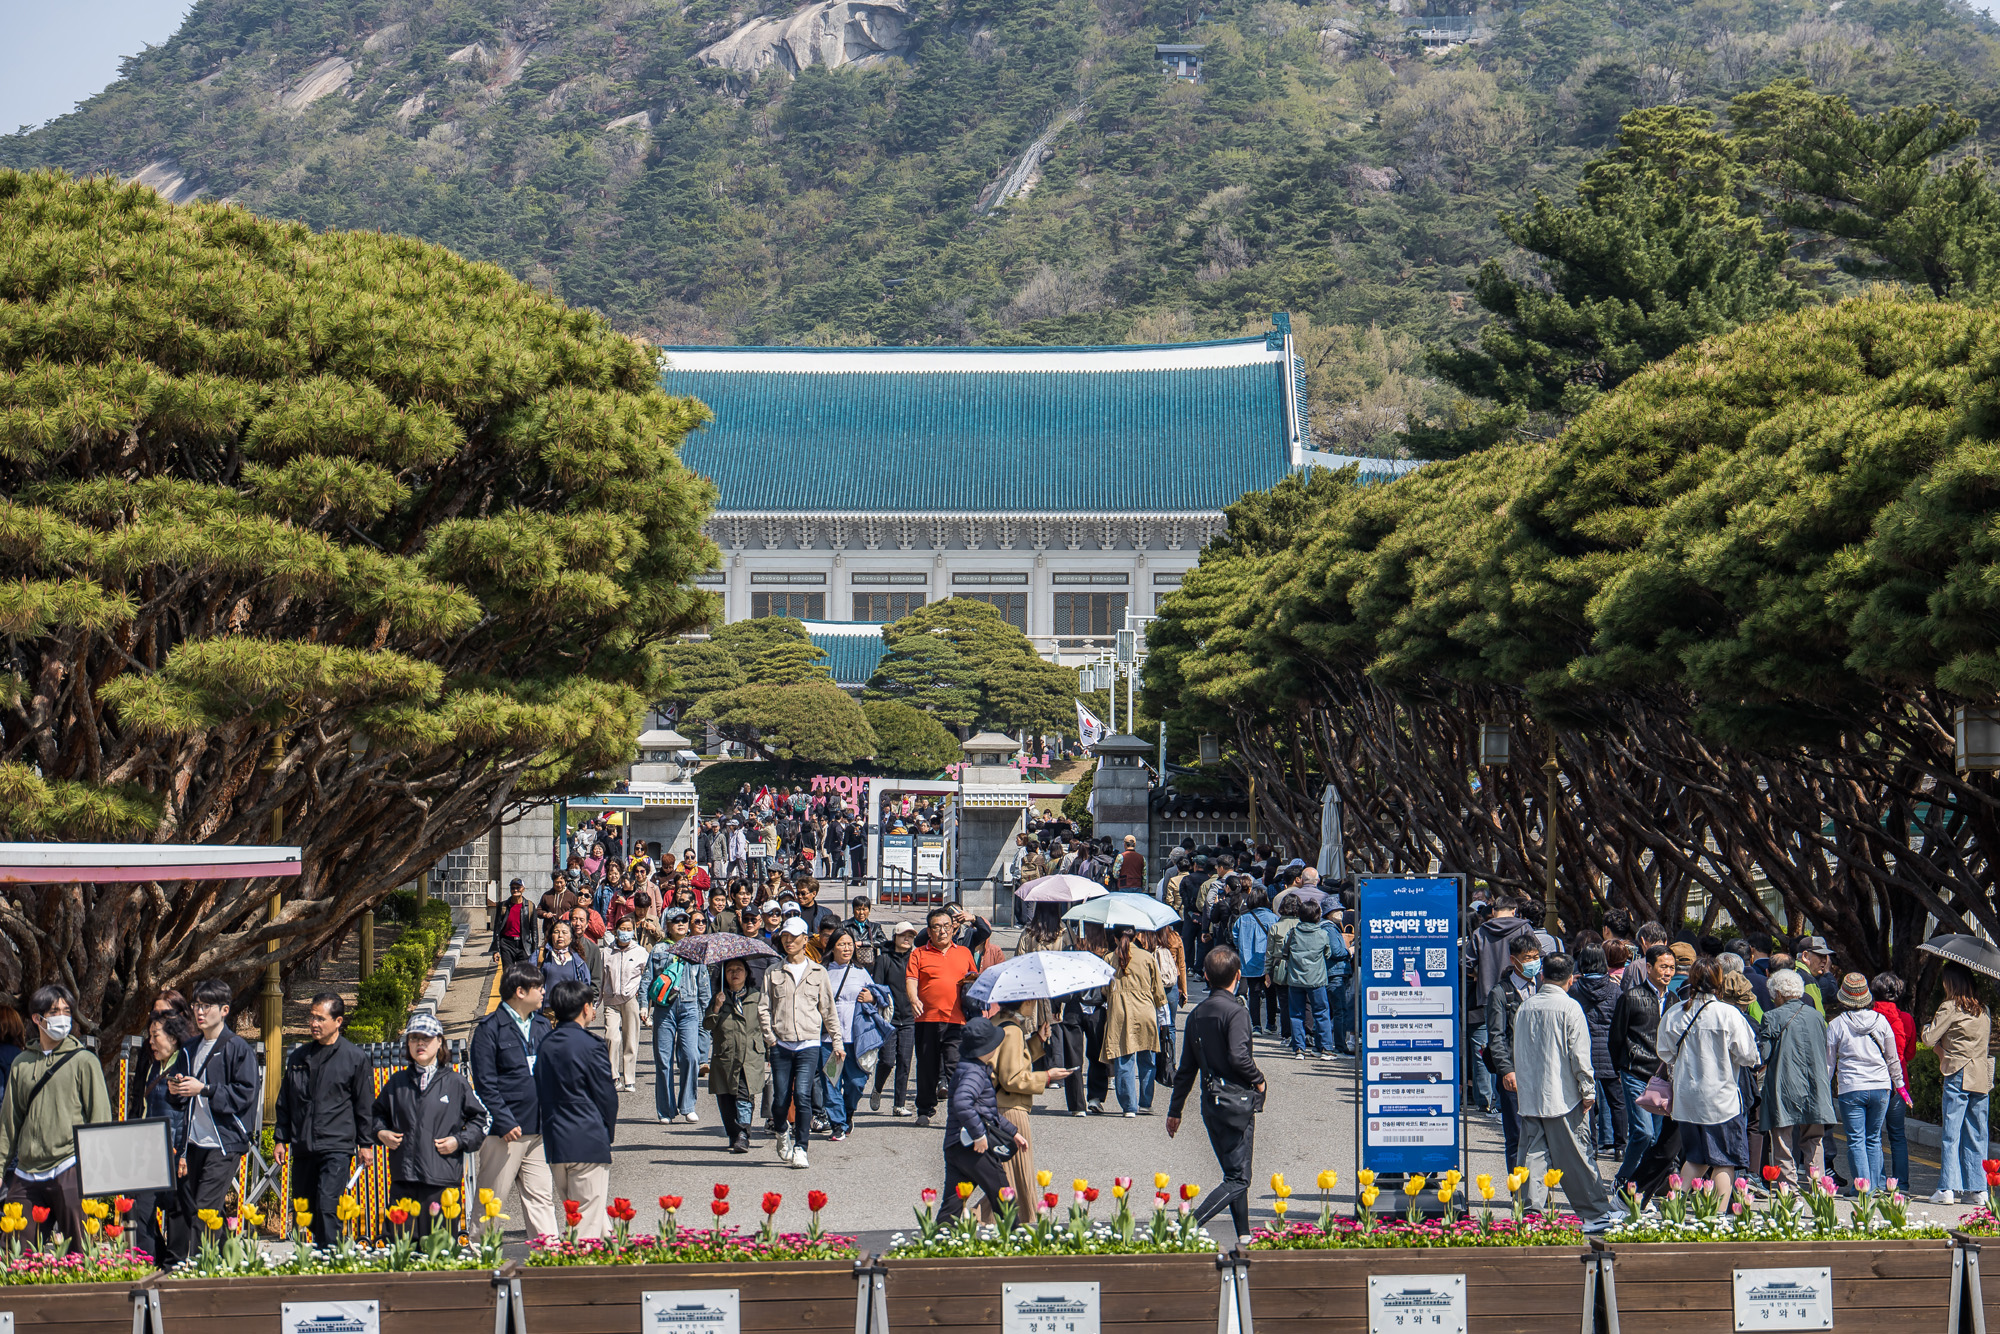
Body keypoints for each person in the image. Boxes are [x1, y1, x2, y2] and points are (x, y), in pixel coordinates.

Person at [1510, 954, 1616, 1232]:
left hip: (1531, 1094)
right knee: (1576, 1155)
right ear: (1571, 978)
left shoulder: (1526, 1007)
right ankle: (1594, 1212)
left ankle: (1529, 1216)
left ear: (1541, 975)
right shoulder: (1570, 1008)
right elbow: (1580, 1055)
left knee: (1532, 1157)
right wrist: (1588, 1090)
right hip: (1563, 1095)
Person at [1167, 946, 1265, 1246]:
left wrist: (1175, 1109)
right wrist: (1259, 1079)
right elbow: (1239, 1057)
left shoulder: (1197, 1014)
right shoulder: (1236, 1012)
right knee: (1238, 1178)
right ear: (1238, 976)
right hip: (1238, 1101)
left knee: (1234, 1171)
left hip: (1211, 1102)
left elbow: (1186, 1068)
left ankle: (1244, 1234)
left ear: (1206, 976)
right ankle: (1189, 1224)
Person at [1658, 956, 1761, 1211]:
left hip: (1687, 1100)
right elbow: (1749, 1056)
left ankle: (1675, 1209)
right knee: (1724, 1161)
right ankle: (1716, 1219)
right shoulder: (1729, 1014)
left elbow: (1665, 1052)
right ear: (1719, 982)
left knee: (1696, 1159)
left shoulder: (1676, 1012)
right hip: (1722, 1100)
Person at [370, 1012, 486, 1236]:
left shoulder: (456, 1083)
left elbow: (479, 1121)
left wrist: (458, 1140)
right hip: (404, 1179)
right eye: (414, 1038)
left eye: (426, 1038)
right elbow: (375, 1117)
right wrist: (381, 1133)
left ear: (440, 1041)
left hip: (442, 1179)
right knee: (401, 1250)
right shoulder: (397, 1083)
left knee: (439, 1251)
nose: (420, 1043)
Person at [274, 992, 375, 1250]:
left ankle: (331, 1258)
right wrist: (281, 1138)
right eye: (312, 1017)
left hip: (336, 1146)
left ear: (338, 1021)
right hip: (304, 1146)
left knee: (327, 1203)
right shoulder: (299, 1058)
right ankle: (324, 1250)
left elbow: (364, 1105)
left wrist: (365, 1143)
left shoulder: (354, 1058)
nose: (314, 1023)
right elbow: (286, 1100)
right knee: (305, 1207)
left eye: (320, 1018)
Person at [471, 964, 559, 1241]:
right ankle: (480, 1259)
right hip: (505, 1133)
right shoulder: (489, 1029)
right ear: (520, 992)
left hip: (539, 1129)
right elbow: (485, 1083)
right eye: (539, 987)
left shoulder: (542, 1024)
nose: (544, 992)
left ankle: (548, 1261)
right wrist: (503, 1120)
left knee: (541, 1199)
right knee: (491, 1202)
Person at [173, 978, 258, 1251]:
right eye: (196, 1005)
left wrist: (205, 1089)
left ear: (224, 1010)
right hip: (194, 1142)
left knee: (204, 1210)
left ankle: (201, 1271)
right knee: (202, 1211)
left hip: (224, 1143)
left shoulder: (236, 1047)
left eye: (207, 1006)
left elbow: (245, 1093)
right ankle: (230, 1259)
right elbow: (185, 1098)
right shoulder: (189, 1048)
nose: (199, 1011)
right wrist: (178, 1087)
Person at [534, 979, 620, 1240]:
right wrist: (608, 1134)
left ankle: (616, 1259)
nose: (594, 1011)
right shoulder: (591, 1045)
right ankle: (582, 1276)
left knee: (579, 1212)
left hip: (555, 1141)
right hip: (587, 1138)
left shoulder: (545, 1044)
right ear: (585, 1008)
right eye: (592, 1006)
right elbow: (606, 1096)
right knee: (587, 1220)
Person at [763, 916, 842, 1169]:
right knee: (780, 1100)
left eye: (794, 937)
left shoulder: (818, 972)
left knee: (804, 1095)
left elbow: (828, 1010)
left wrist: (837, 1043)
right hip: (781, 1044)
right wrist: (770, 1038)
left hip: (809, 1043)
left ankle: (801, 1147)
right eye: (785, 936)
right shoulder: (773, 971)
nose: (789, 941)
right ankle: (782, 1132)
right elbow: (764, 1008)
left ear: (805, 939)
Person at [936, 1017, 1030, 1226]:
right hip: (972, 1146)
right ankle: (1015, 1240)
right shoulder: (974, 1073)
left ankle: (938, 1245)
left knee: (952, 1203)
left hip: (955, 1146)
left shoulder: (967, 1067)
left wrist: (1012, 1132)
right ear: (984, 1049)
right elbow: (962, 1103)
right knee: (1002, 1192)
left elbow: (986, 1112)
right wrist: (979, 1135)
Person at [1757, 968, 1835, 1197]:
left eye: (1774, 994)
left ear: (1779, 993)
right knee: (1814, 1140)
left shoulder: (1771, 1017)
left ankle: (1789, 1192)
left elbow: (1765, 1054)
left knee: (1782, 1141)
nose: (1773, 998)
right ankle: (1819, 1189)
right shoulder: (1817, 1016)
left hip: (1784, 1085)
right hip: (1815, 1086)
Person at [1826, 971, 1906, 1191]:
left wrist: (1824, 1087)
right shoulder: (1881, 1021)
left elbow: (1829, 1064)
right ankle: (1877, 1186)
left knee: (1856, 1139)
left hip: (1851, 1088)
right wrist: (1899, 1085)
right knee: (1873, 1139)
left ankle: (1862, 1188)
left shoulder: (1836, 1025)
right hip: (1880, 1087)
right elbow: (1892, 1058)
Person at [993, 1003, 1070, 1219]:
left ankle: (987, 1223)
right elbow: (1011, 1078)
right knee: (1016, 1181)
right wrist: (1046, 1077)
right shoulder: (1013, 1030)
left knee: (1008, 1181)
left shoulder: (999, 1022)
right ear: (1025, 1002)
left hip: (1000, 1106)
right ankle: (980, 1220)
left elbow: (1011, 1061)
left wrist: (1038, 1040)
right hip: (1011, 1108)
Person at [1925, 961, 1992, 1204]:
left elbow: (1930, 1038)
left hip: (1958, 1073)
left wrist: (1927, 1031)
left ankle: (1946, 1188)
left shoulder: (1949, 1007)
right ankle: (1979, 1189)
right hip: (1981, 1076)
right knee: (1977, 1133)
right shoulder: (1983, 1011)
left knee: (1951, 1133)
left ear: (1950, 982)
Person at [1609, 942, 1674, 1190]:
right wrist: (1620, 1068)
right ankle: (1623, 1178)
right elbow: (1616, 1036)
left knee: (1656, 1137)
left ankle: (1641, 1185)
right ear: (1649, 967)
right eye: (1663, 967)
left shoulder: (1676, 1000)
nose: (1667, 972)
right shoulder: (1632, 996)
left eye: (1671, 967)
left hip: (1662, 1077)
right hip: (1635, 1072)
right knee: (1643, 1132)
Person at [132, 1009, 195, 1263]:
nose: (150, 1041)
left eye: (155, 1035)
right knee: (139, 1210)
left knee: (177, 1211)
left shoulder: (185, 1063)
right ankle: (149, 1262)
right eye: (149, 1035)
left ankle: (174, 1264)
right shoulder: (153, 1066)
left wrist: (181, 1150)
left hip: (174, 1153)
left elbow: (188, 1113)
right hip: (150, 1151)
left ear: (173, 1037)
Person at [906, 906, 976, 1129]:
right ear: (929, 930)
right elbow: (911, 979)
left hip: (956, 1020)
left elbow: (973, 978)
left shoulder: (964, 952)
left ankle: (960, 1111)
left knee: (956, 1067)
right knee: (927, 1066)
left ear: (953, 929)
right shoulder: (918, 953)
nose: (942, 931)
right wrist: (913, 999)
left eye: (947, 926)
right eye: (937, 927)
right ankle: (925, 1109)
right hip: (926, 1019)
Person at [1470, 896, 1538, 1114]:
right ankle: (1505, 1100)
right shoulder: (1524, 929)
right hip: (1521, 996)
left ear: (1493, 910)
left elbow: (1466, 961)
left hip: (1485, 996)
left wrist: (1478, 975)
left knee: (1486, 1051)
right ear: (1515, 910)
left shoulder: (1480, 932)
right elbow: (1537, 957)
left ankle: (1487, 1101)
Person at [645, 909, 711, 1124]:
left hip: (690, 1007)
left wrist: (707, 1012)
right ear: (667, 924)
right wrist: (643, 1006)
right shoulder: (659, 948)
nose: (681, 924)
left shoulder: (695, 948)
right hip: (664, 1008)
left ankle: (688, 1105)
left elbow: (703, 982)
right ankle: (665, 1110)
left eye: (685, 920)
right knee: (663, 1060)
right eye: (676, 921)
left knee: (691, 1056)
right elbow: (647, 978)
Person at [1483, 933, 1542, 1170]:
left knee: (1542, 1135)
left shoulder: (1544, 987)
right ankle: (1518, 1193)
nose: (1533, 963)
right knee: (1516, 1135)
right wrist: (1506, 1070)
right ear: (1514, 960)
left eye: (1536, 957)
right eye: (1527, 958)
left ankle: (1541, 1194)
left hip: (1541, 1071)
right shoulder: (1501, 993)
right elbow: (1495, 1036)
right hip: (1514, 1073)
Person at [1102, 924, 1167, 1117]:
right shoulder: (1147, 957)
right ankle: (1146, 1102)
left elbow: (1105, 990)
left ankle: (1129, 1106)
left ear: (1114, 938)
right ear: (1136, 935)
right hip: (1146, 1010)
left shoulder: (1109, 958)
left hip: (1120, 1011)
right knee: (1147, 1059)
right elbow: (1158, 991)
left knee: (1124, 1058)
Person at [706, 959, 767, 1154]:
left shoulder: (757, 997)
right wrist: (716, 1007)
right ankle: (734, 1134)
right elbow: (707, 1025)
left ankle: (743, 1134)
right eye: (730, 970)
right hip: (725, 1056)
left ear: (747, 973)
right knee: (725, 1099)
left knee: (744, 1095)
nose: (735, 973)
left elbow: (766, 1026)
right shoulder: (719, 998)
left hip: (749, 1056)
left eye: (739, 969)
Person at [1572, 944, 1625, 1158]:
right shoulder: (1614, 989)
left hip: (1585, 1052)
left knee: (1588, 1102)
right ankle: (1620, 1147)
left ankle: (1591, 1146)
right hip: (1611, 1052)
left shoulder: (1575, 990)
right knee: (1617, 1103)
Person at [822, 931, 875, 1142]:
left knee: (856, 1082)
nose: (847, 948)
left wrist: (872, 997)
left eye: (850, 944)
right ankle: (838, 1124)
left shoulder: (861, 972)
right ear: (832, 947)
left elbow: (880, 997)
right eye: (842, 944)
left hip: (855, 1038)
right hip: (830, 1039)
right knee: (831, 1081)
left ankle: (848, 1111)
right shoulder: (822, 971)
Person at [1275, 900, 1340, 1059]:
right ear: (1318, 916)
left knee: (1296, 1014)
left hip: (1295, 979)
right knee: (1321, 1013)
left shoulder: (1292, 933)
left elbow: (1285, 952)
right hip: (1317, 980)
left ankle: (1299, 1049)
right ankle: (1325, 1048)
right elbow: (1327, 954)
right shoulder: (1322, 934)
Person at [1869, 972, 1915, 1189]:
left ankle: (1878, 1182)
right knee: (1897, 1135)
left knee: (1874, 1135)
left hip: (1873, 1081)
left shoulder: (1869, 1016)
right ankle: (1902, 1184)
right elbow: (1911, 1052)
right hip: (1899, 1084)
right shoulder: (1906, 1019)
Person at [870, 921, 919, 1116]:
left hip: (909, 1018)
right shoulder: (884, 959)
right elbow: (878, 988)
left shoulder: (915, 959)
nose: (907, 939)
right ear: (895, 937)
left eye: (910, 936)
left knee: (905, 1061)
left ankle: (899, 1104)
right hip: (888, 1019)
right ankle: (878, 1089)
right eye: (903, 935)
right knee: (888, 1061)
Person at [601, 922, 649, 1094]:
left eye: (629, 930)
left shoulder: (641, 952)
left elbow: (646, 978)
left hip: (631, 999)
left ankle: (629, 1078)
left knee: (631, 1039)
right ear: (615, 931)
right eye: (623, 929)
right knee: (611, 1037)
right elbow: (602, 978)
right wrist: (595, 1003)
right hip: (611, 1000)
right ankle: (613, 1075)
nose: (626, 933)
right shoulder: (607, 952)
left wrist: (645, 1005)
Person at [1230, 890, 1280, 1034]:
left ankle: (1256, 1025)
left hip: (1249, 961)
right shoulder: (1273, 918)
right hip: (1268, 962)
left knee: (1254, 993)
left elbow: (1235, 938)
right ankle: (1271, 1024)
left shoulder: (1242, 919)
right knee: (1271, 993)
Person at [537, 921, 591, 1011]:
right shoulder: (541, 956)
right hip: (546, 1011)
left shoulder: (578, 962)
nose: (560, 936)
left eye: (564, 932)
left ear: (571, 938)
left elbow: (585, 986)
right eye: (556, 932)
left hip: (570, 1011)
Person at [491, 879, 536, 969]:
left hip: (523, 945)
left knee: (524, 975)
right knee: (508, 974)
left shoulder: (530, 906)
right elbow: (497, 929)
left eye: (518, 887)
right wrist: (496, 950)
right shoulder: (503, 906)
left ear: (523, 889)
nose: (515, 890)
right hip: (507, 944)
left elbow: (534, 930)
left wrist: (535, 951)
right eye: (513, 888)